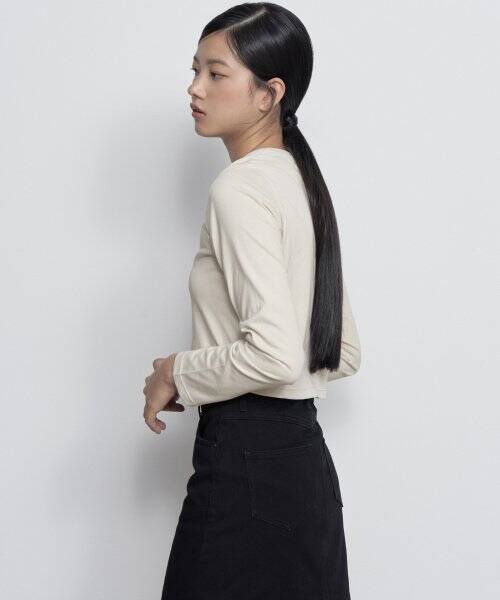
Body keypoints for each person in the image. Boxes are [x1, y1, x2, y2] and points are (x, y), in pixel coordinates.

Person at [142, 3, 361, 599]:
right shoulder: (299, 181)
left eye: (216, 73)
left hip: (245, 462)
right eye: (195, 70)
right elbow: (340, 351)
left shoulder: (240, 187)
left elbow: (274, 355)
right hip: (303, 465)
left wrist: (176, 371)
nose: (194, 88)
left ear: (270, 94)